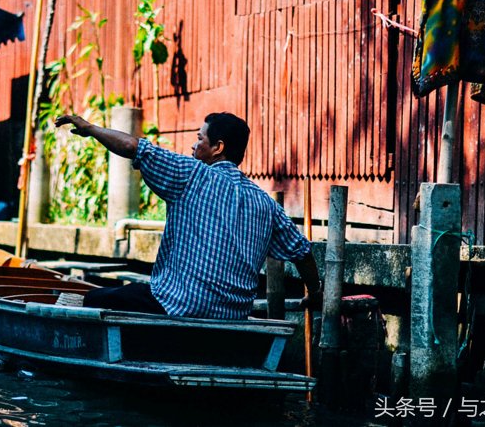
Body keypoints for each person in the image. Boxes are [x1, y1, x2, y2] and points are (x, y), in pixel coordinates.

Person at [54, 111, 322, 320]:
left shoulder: (191, 174)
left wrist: (89, 128)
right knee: (124, 294)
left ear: (218, 147)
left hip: (179, 303)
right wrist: (315, 293)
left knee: (88, 300)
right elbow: (302, 252)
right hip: (233, 315)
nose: (194, 147)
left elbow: (132, 147)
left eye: (199, 139)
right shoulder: (266, 203)